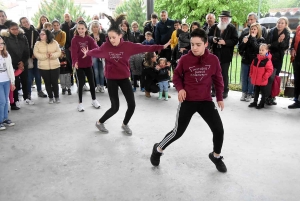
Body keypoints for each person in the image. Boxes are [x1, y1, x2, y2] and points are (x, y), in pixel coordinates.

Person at [150, 28, 227, 173]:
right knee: (177, 132)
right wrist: (180, 89)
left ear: (206, 44)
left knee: (219, 130)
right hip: (188, 100)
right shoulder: (185, 59)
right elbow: (176, 76)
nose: (194, 47)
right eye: (192, 44)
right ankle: (158, 149)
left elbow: (218, 79)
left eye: (198, 44)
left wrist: (220, 97)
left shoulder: (213, 60)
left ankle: (216, 156)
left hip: (205, 101)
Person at [82, 14, 170, 134]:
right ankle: (99, 122)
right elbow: (97, 51)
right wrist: (88, 53)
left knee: (132, 105)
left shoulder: (128, 46)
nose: (111, 40)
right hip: (111, 79)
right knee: (115, 107)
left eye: (114, 37)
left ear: (120, 35)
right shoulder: (106, 46)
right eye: (109, 37)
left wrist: (162, 46)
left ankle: (125, 124)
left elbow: (145, 48)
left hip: (124, 78)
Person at [1, 21, 33, 109]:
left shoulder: (23, 37)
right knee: (14, 83)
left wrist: (22, 62)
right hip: (12, 65)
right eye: (13, 29)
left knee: (25, 81)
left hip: (24, 64)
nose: (15, 31)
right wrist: (17, 63)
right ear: (9, 30)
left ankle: (27, 97)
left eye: (17, 29)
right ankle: (15, 101)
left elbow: (27, 50)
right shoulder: (5, 38)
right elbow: (7, 52)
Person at [71, 20, 101, 111]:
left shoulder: (89, 39)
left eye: (82, 28)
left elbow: (96, 48)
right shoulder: (74, 39)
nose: (80, 30)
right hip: (79, 65)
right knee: (81, 84)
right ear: (76, 29)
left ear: (86, 29)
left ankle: (94, 100)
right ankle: (80, 103)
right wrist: (75, 62)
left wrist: (89, 53)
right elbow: (74, 53)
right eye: (79, 29)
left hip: (88, 64)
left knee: (92, 83)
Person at [208, 11, 238, 98]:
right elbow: (207, 36)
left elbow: (235, 40)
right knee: (214, 73)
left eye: (225, 18)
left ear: (228, 19)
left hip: (226, 55)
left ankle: (224, 91)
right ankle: (214, 90)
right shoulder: (214, 27)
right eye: (222, 18)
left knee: (224, 73)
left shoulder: (232, 28)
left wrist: (225, 42)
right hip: (215, 54)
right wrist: (212, 39)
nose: (223, 20)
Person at [19, 17, 47, 98]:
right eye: (23, 22)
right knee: (29, 77)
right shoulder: (21, 34)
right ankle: (28, 93)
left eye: (26, 21)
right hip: (27, 57)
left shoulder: (34, 31)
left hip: (36, 56)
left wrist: (36, 53)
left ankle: (39, 91)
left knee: (38, 75)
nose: (26, 23)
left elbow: (38, 43)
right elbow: (23, 47)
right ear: (21, 24)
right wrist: (31, 53)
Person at [266, 17, 291, 105]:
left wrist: (280, 43)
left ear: (285, 25)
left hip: (278, 59)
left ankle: (272, 96)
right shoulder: (271, 31)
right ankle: (266, 95)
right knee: (268, 77)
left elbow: (285, 47)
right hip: (269, 58)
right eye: (278, 22)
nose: (279, 24)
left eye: (282, 23)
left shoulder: (287, 33)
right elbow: (268, 45)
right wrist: (279, 41)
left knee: (274, 77)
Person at [238, 23, 265, 102]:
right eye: (251, 29)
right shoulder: (246, 37)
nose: (252, 30)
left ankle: (250, 93)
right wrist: (244, 42)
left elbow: (257, 49)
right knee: (244, 77)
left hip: (254, 62)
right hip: (245, 60)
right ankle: (244, 92)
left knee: (251, 78)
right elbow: (240, 48)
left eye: (254, 29)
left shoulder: (261, 39)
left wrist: (253, 38)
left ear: (258, 30)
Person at [33, 29, 61, 104]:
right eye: (40, 34)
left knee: (55, 82)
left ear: (48, 35)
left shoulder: (54, 42)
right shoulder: (37, 43)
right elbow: (36, 54)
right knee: (47, 82)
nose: (41, 35)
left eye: (43, 34)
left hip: (55, 66)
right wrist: (45, 56)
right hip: (43, 67)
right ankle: (50, 97)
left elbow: (58, 52)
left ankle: (57, 97)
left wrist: (52, 55)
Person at [248, 44, 273, 109]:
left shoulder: (267, 60)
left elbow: (270, 70)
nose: (261, 51)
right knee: (256, 91)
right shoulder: (256, 59)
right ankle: (255, 102)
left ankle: (262, 103)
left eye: (263, 50)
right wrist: (251, 74)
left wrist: (264, 77)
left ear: (266, 51)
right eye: (260, 50)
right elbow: (251, 67)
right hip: (256, 80)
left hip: (262, 80)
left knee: (263, 92)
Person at [0, 36, 16, 130]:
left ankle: (5, 118)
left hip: (6, 80)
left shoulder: (6, 55)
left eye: (2, 43)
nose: (1, 45)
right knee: (1, 101)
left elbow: (10, 68)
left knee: (6, 100)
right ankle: (0, 120)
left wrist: (12, 81)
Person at [89, 20, 106, 93]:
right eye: (94, 27)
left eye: (96, 27)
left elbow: (104, 45)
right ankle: (98, 85)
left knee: (101, 71)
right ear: (92, 28)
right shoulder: (90, 36)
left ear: (99, 28)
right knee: (95, 71)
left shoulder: (102, 35)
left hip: (101, 55)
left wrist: (99, 41)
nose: (95, 28)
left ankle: (102, 86)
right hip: (94, 55)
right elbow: (89, 46)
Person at [288, 25, 300, 109]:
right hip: (297, 58)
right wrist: (292, 49)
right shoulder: (298, 28)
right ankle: (297, 100)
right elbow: (293, 43)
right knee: (297, 79)